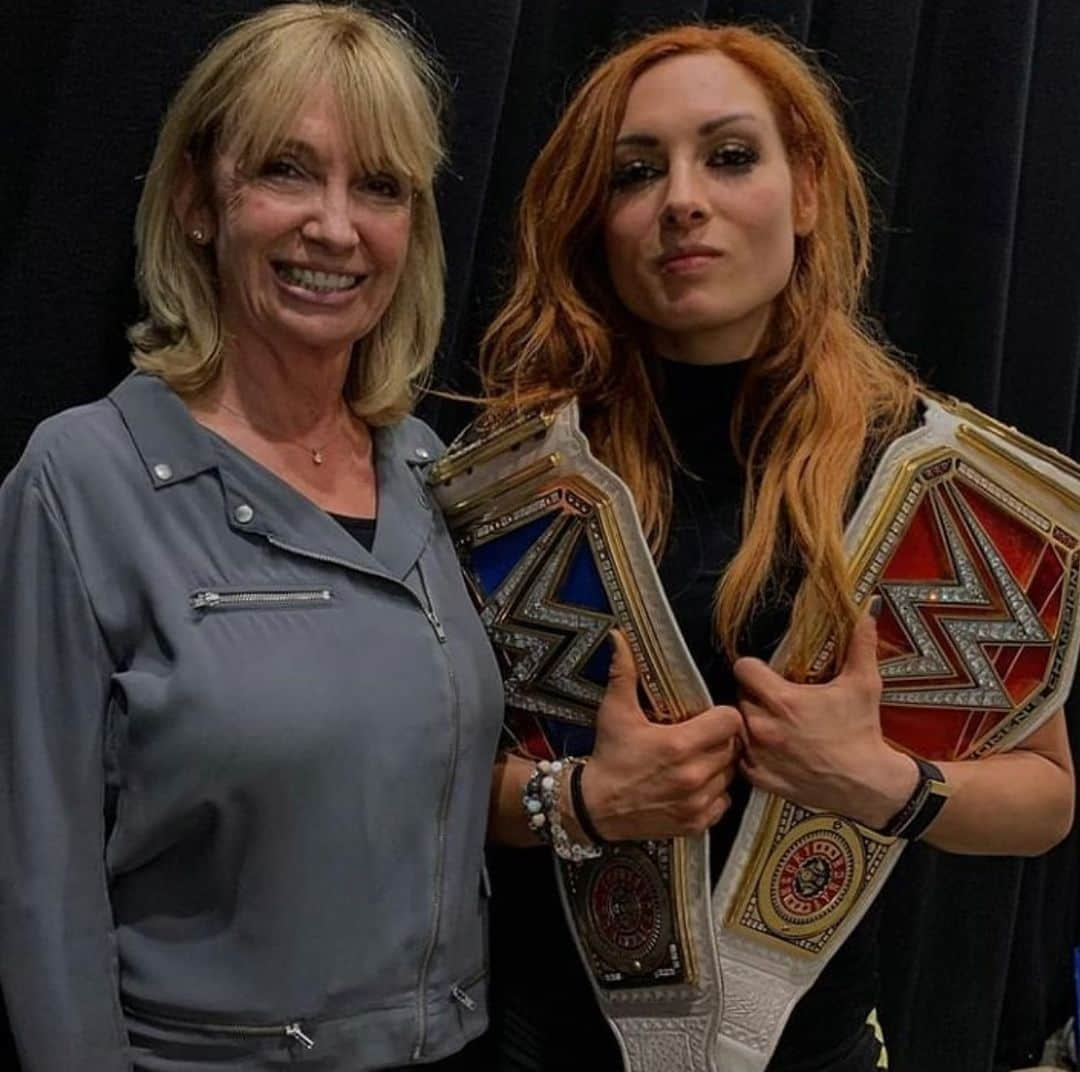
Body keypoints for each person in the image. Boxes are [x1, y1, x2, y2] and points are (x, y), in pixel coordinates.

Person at [476, 23, 1075, 1071]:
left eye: (731, 155)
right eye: (636, 171)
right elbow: (418, 784)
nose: (683, 200)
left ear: (805, 193)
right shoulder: (512, 485)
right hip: (536, 1046)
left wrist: (886, 784)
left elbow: (1045, 797)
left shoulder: (930, 480)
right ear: (599, 221)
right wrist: (577, 800)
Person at [0, 4, 504, 1070]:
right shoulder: (82, 477)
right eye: (287, 170)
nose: (335, 227)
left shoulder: (426, 469)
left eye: (379, 186)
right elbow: (43, 885)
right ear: (196, 199)